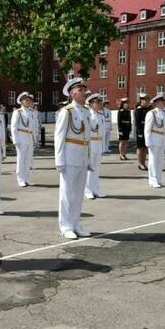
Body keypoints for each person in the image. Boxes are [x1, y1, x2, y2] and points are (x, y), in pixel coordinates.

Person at [55, 78, 91, 238]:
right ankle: (66, 226)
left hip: (82, 157)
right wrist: (59, 160)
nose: (84, 93)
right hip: (69, 158)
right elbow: (59, 137)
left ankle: (76, 223)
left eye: (84, 90)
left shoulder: (86, 111)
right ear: (72, 93)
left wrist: (88, 158)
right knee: (67, 193)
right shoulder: (67, 112)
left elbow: (87, 137)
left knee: (78, 193)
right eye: (80, 90)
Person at [11, 92, 36, 187]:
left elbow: (33, 127)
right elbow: (13, 126)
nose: (28, 101)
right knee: (21, 159)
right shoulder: (17, 112)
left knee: (28, 159)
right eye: (26, 100)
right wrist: (15, 140)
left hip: (29, 137)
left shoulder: (31, 112)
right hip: (21, 137)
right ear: (21, 101)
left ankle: (27, 178)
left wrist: (34, 138)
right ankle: (20, 179)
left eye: (29, 100)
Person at [84, 93, 105, 199]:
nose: (100, 104)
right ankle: (88, 190)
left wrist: (103, 146)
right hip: (90, 144)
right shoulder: (87, 115)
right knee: (90, 168)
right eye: (98, 102)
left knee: (96, 169)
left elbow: (103, 132)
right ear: (91, 103)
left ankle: (95, 189)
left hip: (99, 144)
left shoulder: (100, 115)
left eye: (100, 102)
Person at [144, 93, 165, 188]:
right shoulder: (151, 113)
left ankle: (159, 179)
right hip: (153, 138)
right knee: (153, 161)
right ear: (156, 103)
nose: (163, 103)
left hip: (161, 139)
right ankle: (152, 180)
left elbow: (164, 128)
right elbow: (147, 129)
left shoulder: (164, 113)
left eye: (163, 102)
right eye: (161, 102)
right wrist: (148, 141)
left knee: (160, 161)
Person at [134, 93, 150, 171]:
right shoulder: (139, 110)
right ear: (141, 101)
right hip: (140, 131)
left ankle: (143, 163)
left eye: (148, 100)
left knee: (144, 148)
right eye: (146, 100)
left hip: (146, 131)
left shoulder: (148, 110)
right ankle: (140, 164)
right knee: (140, 148)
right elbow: (138, 122)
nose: (147, 102)